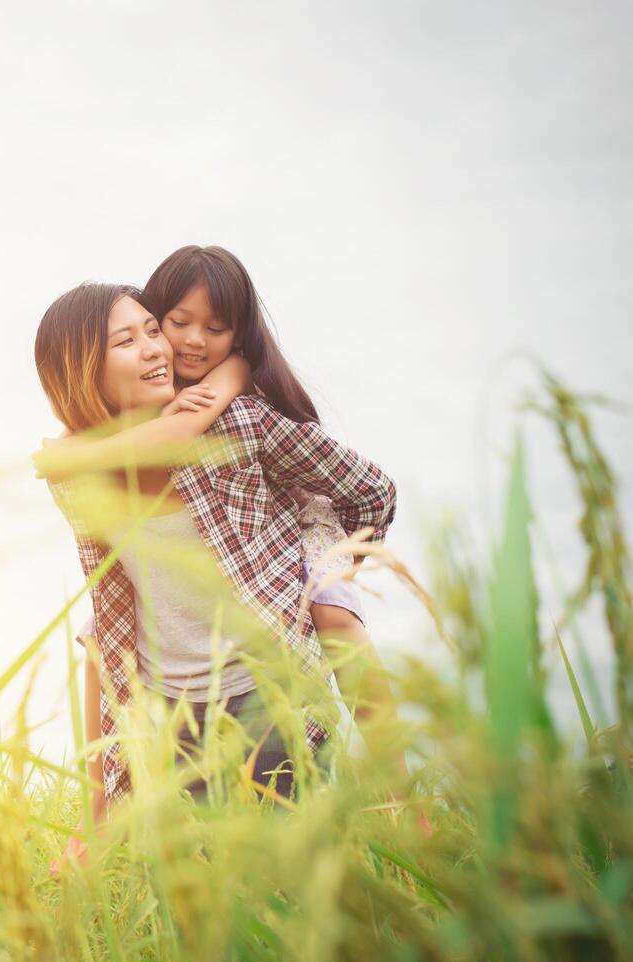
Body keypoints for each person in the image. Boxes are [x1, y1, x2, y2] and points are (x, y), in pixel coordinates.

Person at [32, 279, 403, 872]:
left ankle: (402, 804)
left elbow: (368, 490)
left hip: (270, 696)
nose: (156, 348)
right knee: (202, 913)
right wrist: (97, 804)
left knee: (288, 886)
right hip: (173, 717)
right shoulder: (75, 477)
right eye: (127, 340)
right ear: (82, 370)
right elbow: (108, 617)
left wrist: (316, 574)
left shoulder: (237, 425)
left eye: (153, 330)